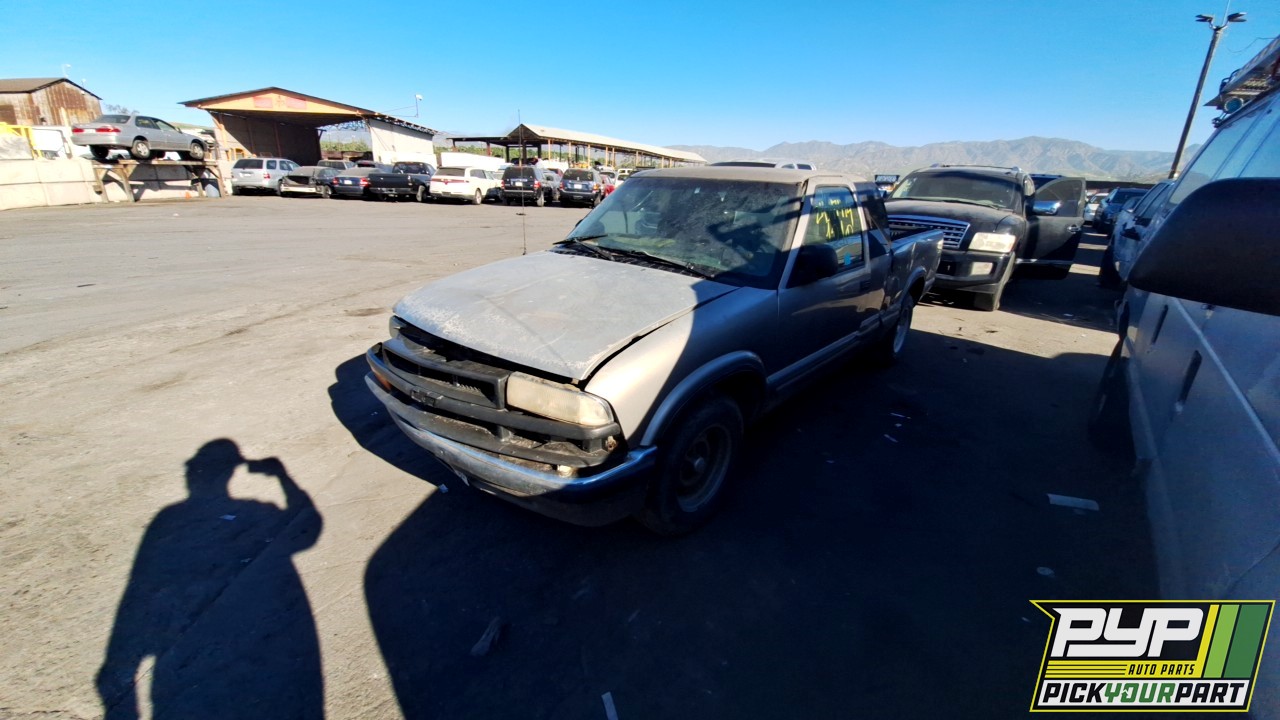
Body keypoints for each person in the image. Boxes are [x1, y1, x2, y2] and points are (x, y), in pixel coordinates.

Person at [96, 439, 323, 719]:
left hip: (191, 669)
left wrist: (120, 678)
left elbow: (138, 592)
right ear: (231, 471)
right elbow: (309, 529)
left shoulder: (169, 518)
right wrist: (282, 476)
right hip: (267, 652)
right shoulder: (254, 511)